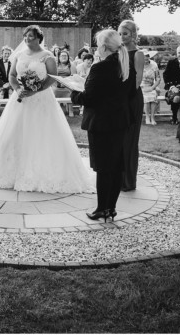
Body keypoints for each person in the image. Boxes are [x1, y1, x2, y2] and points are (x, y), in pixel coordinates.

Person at [0, 25, 95, 193]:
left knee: (41, 134)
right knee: (13, 133)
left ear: (38, 38)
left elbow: (52, 78)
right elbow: (12, 76)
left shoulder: (47, 56)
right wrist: (19, 89)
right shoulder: (19, 55)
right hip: (20, 99)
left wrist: (36, 88)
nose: (27, 39)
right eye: (26, 36)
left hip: (41, 99)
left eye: (31, 36)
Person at [70, 29, 131, 221]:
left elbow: (88, 98)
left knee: (103, 168)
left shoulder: (100, 68)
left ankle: (102, 208)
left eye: (98, 45)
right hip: (119, 121)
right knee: (116, 165)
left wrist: (74, 91)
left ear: (103, 47)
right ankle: (111, 207)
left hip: (101, 124)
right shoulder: (125, 65)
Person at [118, 20, 144, 192]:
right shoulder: (118, 52)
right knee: (118, 140)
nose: (121, 37)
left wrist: (124, 96)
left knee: (129, 140)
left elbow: (138, 79)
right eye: (119, 34)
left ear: (133, 34)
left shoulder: (138, 54)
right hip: (118, 99)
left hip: (132, 99)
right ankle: (117, 178)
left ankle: (128, 181)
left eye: (125, 34)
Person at [163, 46, 180, 125]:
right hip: (174, 89)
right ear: (176, 53)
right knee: (176, 98)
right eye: (179, 53)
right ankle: (174, 118)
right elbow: (166, 76)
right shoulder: (171, 63)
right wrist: (172, 87)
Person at [140, 50, 161, 125]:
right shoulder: (139, 64)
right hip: (141, 86)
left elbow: (158, 78)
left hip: (151, 86)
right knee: (146, 98)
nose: (145, 58)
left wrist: (153, 87)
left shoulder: (154, 64)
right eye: (144, 57)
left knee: (153, 96)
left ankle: (152, 117)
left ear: (149, 57)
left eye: (147, 56)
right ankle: (147, 117)